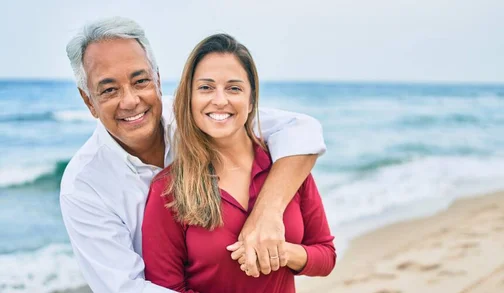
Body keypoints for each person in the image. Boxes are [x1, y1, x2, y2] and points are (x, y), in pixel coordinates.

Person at [60, 17, 326, 293]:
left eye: (140, 81)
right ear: (88, 101)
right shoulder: (83, 187)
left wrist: (266, 214)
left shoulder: (201, 115)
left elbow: (302, 130)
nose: (130, 101)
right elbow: (126, 288)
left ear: (158, 80)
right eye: (109, 90)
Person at [142, 33, 335, 293]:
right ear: (189, 99)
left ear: (252, 100)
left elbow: (326, 256)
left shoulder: (285, 166)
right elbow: (166, 288)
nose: (220, 100)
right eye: (206, 87)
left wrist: (282, 252)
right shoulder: (168, 188)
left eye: (234, 88)